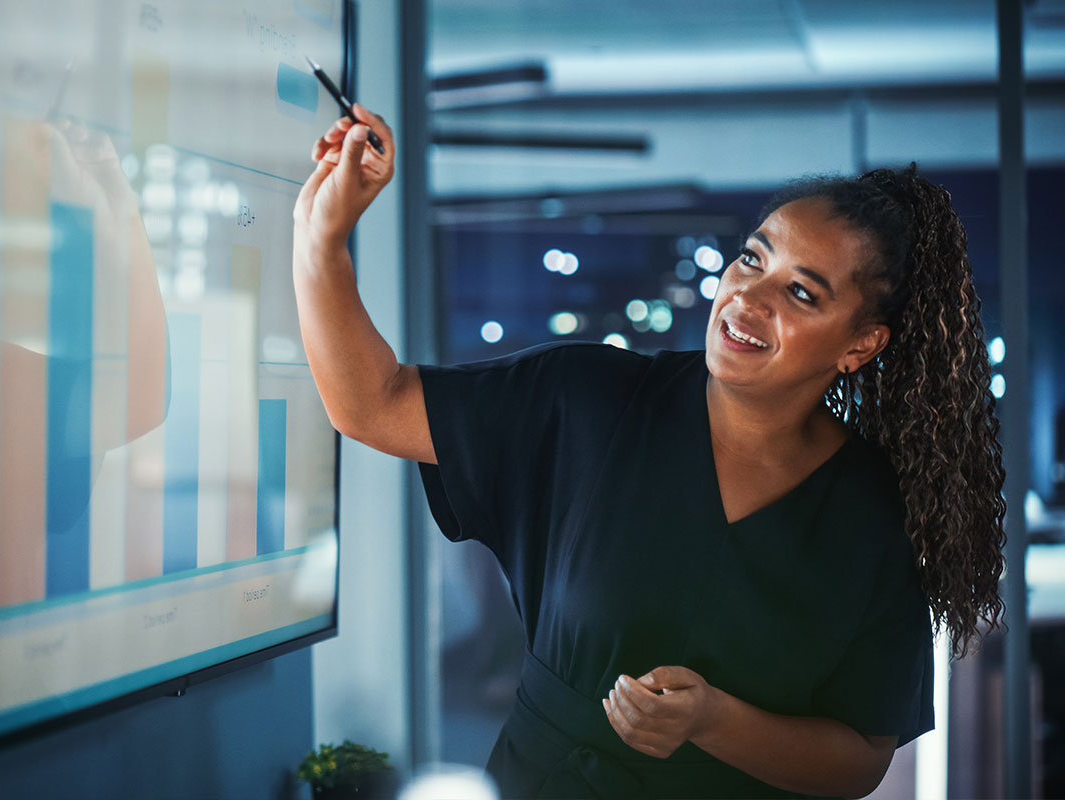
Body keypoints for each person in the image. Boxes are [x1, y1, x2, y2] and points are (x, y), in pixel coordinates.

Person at [292, 108, 1006, 799]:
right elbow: (373, 404)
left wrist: (715, 722)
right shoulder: (586, 400)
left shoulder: (872, 515)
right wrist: (321, 241)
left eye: (799, 292)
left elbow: (861, 760)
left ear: (860, 344)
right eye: (752, 258)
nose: (748, 298)